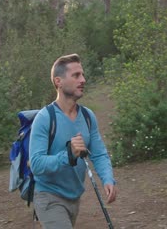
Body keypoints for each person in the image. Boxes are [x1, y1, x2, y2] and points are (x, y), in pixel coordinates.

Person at [29, 53, 117, 228]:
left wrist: (108, 179)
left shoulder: (87, 116)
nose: (83, 79)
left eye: (82, 74)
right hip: (49, 197)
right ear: (58, 82)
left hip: (74, 197)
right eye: (76, 75)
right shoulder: (45, 118)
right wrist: (68, 155)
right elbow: (36, 164)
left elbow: (98, 154)